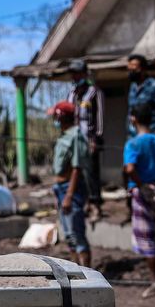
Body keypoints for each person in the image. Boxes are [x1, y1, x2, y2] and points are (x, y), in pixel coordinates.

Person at [124, 101, 155, 298]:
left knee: (145, 239)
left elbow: (129, 168)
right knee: (154, 228)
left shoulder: (133, 143)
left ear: (133, 119)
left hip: (143, 193)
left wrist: (141, 185)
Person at [48, 100, 92, 267]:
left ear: (62, 117)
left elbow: (77, 168)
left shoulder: (76, 135)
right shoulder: (64, 136)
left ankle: (87, 275)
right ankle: (76, 272)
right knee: (69, 236)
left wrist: (69, 195)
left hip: (70, 189)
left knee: (77, 235)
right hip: (61, 188)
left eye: (55, 116)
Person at [66, 59, 106, 219]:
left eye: (77, 73)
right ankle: (83, 203)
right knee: (77, 172)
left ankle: (95, 204)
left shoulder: (95, 92)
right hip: (73, 139)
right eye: (73, 73)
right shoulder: (71, 93)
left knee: (91, 173)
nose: (74, 76)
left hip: (89, 139)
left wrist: (96, 138)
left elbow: (100, 117)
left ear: (84, 74)